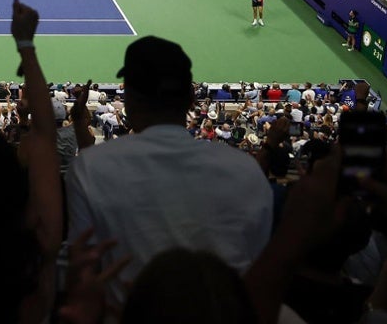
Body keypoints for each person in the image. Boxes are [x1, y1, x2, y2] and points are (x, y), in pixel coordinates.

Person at [65, 35, 274, 311]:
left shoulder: (88, 169)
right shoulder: (248, 172)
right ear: (190, 99)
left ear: (128, 102)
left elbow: (83, 272)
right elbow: (259, 278)